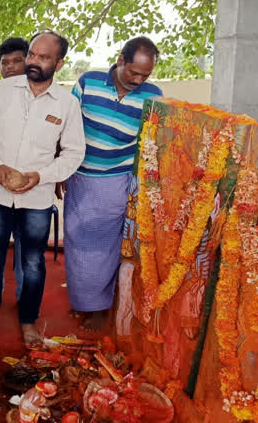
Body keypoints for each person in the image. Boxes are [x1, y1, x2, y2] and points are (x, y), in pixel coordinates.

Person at [0, 30, 85, 348]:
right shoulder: (1, 91)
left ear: (59, 64)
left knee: (32, 262)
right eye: (32, 54)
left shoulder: (67, 104)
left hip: (37, 197)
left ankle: (28, 322)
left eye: (43, 57)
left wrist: (41, 175)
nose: (33, 61)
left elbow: (74, 153)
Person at [62, 36, 163, 331]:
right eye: (134, 72)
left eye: (145, 74)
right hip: (80, 178)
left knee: (105, 248)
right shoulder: (88, 82)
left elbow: (152, 142)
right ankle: (83, 302)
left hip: (117, 181)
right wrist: (61, 170)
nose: (139, 79)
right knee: (77, 244)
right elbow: (67, 127)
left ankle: (100, 308)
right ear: (120, 60)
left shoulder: (153, 95)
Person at [0, 36, 31, 299]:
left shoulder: (43, 95)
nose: (9, 67)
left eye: (16, 61)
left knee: (26, 249)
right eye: (4, 62)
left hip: (32, 189)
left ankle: (24, 300)